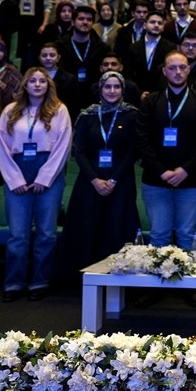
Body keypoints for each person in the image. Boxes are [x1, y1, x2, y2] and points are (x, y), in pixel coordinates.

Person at [0, 67, 72, 301]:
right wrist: (15, 179)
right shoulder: (10, 110)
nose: (37, 84)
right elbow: (1, 144)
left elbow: (63, 146)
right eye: (33, 81)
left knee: (46, 233)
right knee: (18, 234)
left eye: (42, 81)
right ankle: (14, 283)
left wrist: (44, 178)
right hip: (17, 169)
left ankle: (40, 280)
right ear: (25, 85)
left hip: (47, 168)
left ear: (48, 84)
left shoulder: (59, 110)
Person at [136, 51, 196, 265]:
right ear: (164, 71)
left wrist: (185, 169)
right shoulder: (151, 101)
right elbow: (142, 140)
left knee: (186, 235)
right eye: (172, 67)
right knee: (159, 235)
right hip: (155, 180)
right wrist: (162, 170)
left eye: (182, 67)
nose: (178, 72)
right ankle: (156, 286)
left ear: (189, 69)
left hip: (191, 179)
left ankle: (188, 286)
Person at [60, 71, 140, 273]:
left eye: (117, 87)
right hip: (90, 182)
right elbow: (79, 151)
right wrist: (95, 180)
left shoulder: (131, 115)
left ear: (123, 89)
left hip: (120, 182)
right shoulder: (88, 115)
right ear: (100, 89)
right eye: (107, 86)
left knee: (117, 230)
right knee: (87, 229)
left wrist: (113, 180)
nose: (112, 91)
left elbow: (133, 151)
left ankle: (121, 277)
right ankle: (85, 277)